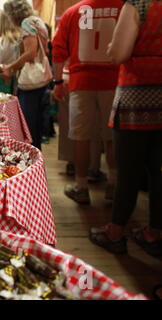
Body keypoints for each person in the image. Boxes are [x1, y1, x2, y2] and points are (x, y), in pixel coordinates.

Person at [90, 0, 162, 256]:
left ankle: (115, 231)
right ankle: (154, 233)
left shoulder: (139, 3)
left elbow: (118, 53)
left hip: (138, 95)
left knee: (128, 169)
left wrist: (111, 47)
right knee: (159, 170)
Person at [52, 0, 123, 204]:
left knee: (81, 137)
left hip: (81, 82)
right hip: (114, 80)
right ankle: (113, 185)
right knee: (111, 137)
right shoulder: (123, 8)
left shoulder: (72, 12)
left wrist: (58, 82)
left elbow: (58, 49)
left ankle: (81, 187)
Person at [1, 0, 51, 150]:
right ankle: (36, 158)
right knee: (35, 125)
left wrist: (10, 66)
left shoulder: (27, 23)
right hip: (41, 79)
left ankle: (32, 161)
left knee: (29, 126)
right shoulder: (38, 21)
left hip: (30, 83)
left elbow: (30, 53)